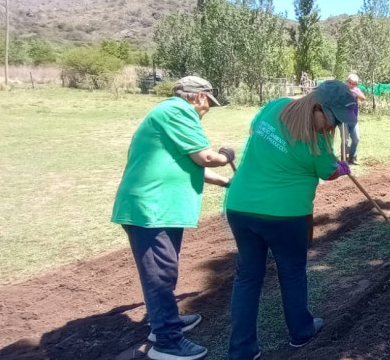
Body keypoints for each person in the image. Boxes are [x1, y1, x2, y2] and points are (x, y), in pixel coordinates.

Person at [223, 80, 356, 360]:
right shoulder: (318, 142)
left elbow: (254, 131)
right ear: (319, 106)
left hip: (240, 206)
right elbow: (328, 173)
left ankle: (242, 351)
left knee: (247, 277)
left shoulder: (275, 106)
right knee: (292, 273)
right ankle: (301, 331)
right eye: (333, 120)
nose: (333, 127)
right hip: (287, 215)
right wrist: (341, 168)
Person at [111, 76, 234, 360]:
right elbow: (205, 158)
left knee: (165, 269)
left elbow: (194, 167)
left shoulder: (169, 115)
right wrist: (226, 156)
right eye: (209, 105)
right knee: (160, 274)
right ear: (200, 97)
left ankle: (164, 322)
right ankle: (166, 341)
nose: (207, 111)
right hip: (150, 209)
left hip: (162, 208)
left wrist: (228, 183)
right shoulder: (178, 111)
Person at [345, 73, 367, 164]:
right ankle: (344, 158)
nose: (351, 85)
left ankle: (352, 157)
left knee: (356, 139)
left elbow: (363, 98)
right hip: (343, 120)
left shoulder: (356, 90)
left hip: (354, 119)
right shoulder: (342, 90)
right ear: (347, 82)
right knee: (345, 140)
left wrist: (355, 93)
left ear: (356, 84)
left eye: (353, 84)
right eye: (349, 83)